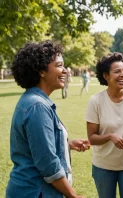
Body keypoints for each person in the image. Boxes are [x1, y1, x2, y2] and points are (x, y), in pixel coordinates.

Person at [6, 41, 90, 198]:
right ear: (41, 71)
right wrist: (74, 196)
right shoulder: (37, 106)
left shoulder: (33, 100)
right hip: (36, 192)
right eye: (59, 65)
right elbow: (48, 164)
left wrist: (66, 145)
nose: (64, 70)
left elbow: (37, 148)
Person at [85, 52, 123, 198]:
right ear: (106, 76)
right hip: (103, 166)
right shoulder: (96, 101)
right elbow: (92, 138)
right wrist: (110, 136)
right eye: (117, 71)